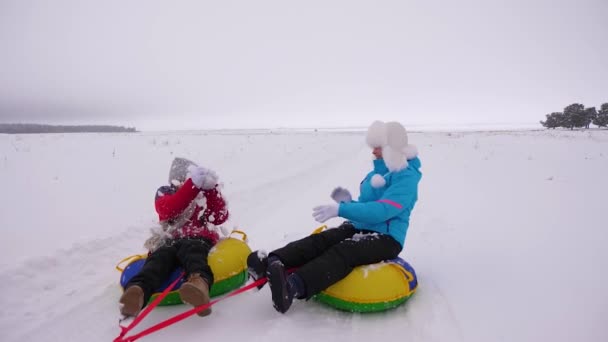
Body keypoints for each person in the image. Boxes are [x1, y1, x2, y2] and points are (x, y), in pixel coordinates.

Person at [247, 121, 422, 313]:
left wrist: (342, 209)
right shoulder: (376, 172)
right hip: (360, 226)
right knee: (323, 240)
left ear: (392, 148)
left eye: (378, 148)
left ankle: (292, 288)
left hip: (387, 238)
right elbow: (367, 206)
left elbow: (382, 211)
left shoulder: (406, 178)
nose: (373, 152)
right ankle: (272, 262)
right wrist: (349, 203)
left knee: (344, 251)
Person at [119, 157, 229, 317]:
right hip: (169, 239)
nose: (187, 181)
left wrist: (212, 190)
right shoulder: (164, 191)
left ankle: (199, 286)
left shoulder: (203, 195)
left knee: (194, 255)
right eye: (185, 178)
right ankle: (138, 291)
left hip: (197, 238)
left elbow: (219, 216)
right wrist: (192, 187)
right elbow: (169, 209)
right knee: (158, 260)